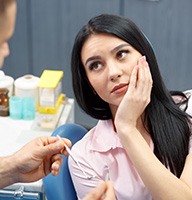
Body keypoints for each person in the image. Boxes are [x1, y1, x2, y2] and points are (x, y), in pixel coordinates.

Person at [69, 13, 192, 199]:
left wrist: (127, 128)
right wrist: (126, 126)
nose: (113, 73)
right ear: (89, 83)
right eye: (96, 65)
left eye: (121, 54)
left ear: (144, 55)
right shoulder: (84, 158)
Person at [0, 1, 113, 199]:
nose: (6, 51)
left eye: (122, 54)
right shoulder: (87, 158)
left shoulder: (186, 110)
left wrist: (11, 169)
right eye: (0, 41)